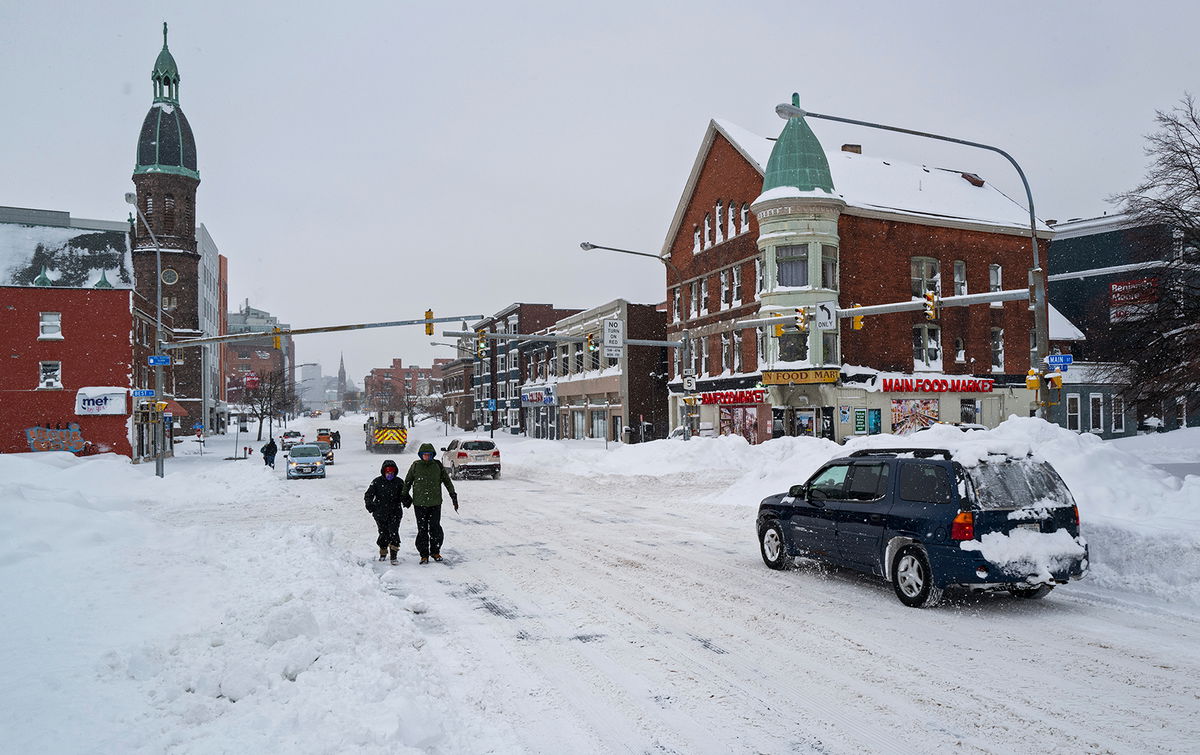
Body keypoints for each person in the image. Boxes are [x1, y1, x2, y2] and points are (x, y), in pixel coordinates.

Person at [403, 443, 458, 564]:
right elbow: (407, 481)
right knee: (422, 530)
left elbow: (447, 481)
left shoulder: (437, 466)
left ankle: (435, 551)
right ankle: (424, 554)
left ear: (433, 455)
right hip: (419, 504)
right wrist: (404, 495)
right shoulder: (415, 466)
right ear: (420, 455)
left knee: (435, 528)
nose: (427, 457)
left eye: (429, 455)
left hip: (435, 503)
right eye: (424, 455)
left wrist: (453, 494)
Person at [364, 459, 411, 563]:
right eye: (387, 471)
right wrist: (370, 505)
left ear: (395, 472)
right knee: (383, 533)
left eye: (392, 471)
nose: (390, 473)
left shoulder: (399, 482)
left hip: (395, 512)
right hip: (380, 513)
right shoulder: (377, 482)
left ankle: (394, 555)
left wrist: (407, 500)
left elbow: (404, 495)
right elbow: (368, 495)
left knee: (394, 532)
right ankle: (383, 551)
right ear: (383, 471)